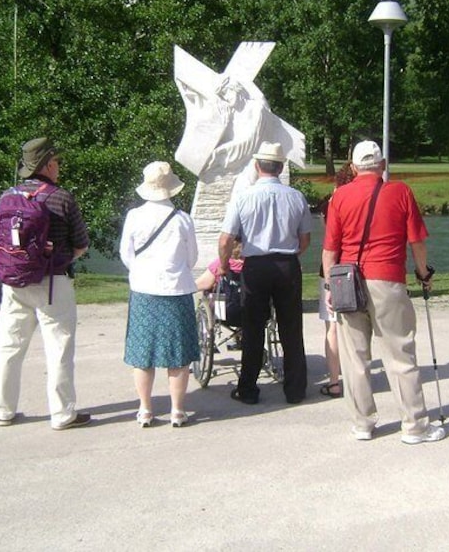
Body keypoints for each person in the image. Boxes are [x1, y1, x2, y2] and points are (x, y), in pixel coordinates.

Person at [322, 140, 445, 444]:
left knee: (355, 357)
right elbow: (416, 241)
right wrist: (422, 272)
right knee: (399, 353)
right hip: (387, 278)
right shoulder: (400, 191)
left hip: (347, 281)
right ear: (383, 164)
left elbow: (330, 249)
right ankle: (414, 426)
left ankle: (363, 423)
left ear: (352, 167)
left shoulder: (339, 197)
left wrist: (329, 285)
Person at [0, 137, 91, 430]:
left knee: (9, 347)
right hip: (52, 282)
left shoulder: (7, 196)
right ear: (48, 164)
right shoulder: (62, 197)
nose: (59, 166)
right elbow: (81, 244)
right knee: (58, 348)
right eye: (56, 162)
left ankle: (3, 410)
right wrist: (62, 258)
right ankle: (62, 414)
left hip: (14, 281)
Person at [218, 141, 312, 405]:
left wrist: (224, 265)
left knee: (253, 328)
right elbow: (305, 239)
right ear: (281, 167)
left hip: (256, 266)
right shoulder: (296, 197)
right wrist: (291, 254)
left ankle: (248, 388)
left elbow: (226, 239)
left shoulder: (243, 198)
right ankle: (295, 389)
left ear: (257, 166)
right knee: (291, 328)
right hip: (286, 264)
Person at [120, 161, 199, 427]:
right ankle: (177, 409)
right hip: (177, 290)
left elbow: (126, 255)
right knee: (178, 354)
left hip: (144, 290)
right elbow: (192, 258)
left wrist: (142, 271)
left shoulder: (133, 216)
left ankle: (145, 409)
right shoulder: (183, 219)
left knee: (143, 353)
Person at [317, 161, 356, 398]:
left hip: (331, 267)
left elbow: (329, 237)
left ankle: (334, 381)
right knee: (356, 326)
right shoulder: (358, 202)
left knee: (332, 327)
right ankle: (356, 377)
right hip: (354, 266)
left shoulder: (329, 205)